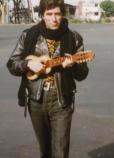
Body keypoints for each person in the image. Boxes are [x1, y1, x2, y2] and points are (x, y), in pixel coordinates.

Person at [6, 0, 89, 157]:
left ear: (62, 14)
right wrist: (27, 64)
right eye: (49, 14)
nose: (54, 19)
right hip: (36, 100)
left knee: (61, 150)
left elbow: (83, 74)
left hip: (62, 101)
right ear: (42, 15)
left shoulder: (74, 38)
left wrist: (73, 65)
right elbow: (11, 64)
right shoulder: (28, 35)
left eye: (57, 14)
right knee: (45, 150)